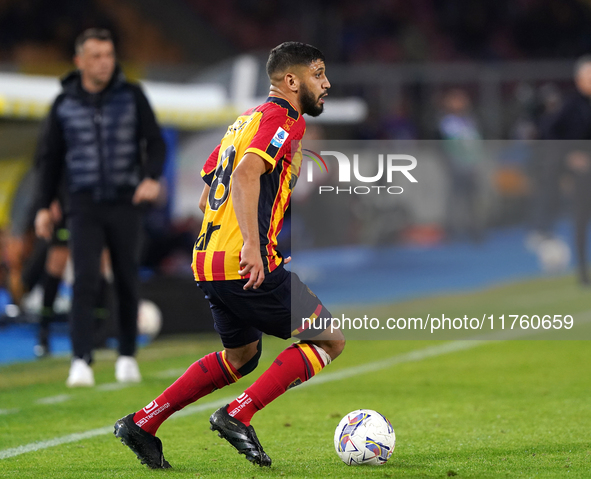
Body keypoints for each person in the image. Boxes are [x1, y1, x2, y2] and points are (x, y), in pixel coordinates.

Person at [113, 42, 345, 469]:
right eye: (318, 73)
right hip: (241, 262)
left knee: (241, 356)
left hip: (208, 260)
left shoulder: (243, 122)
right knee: (329, 338)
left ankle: (143, 423)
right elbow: (243, 175)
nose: (326, 83)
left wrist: (256, 242)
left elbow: (206, 200)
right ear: (291, 81)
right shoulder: (283, 119)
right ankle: (239, 413)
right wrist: (254, 249)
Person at [34, 28, 166, 386]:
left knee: (125, 277)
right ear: (79, 61)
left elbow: (155, 142)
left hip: (126, 201)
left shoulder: (133, 96)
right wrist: (44, 206)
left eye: (108, 55)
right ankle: (81, 359)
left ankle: (126, 354)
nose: (104, 62)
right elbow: (50, 160)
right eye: (95, 56)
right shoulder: (63, 104)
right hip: (82, 202)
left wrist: (152, 176)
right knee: (84, 280)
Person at [541, 55, 591, 284]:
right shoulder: (571, 106)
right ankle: (582, 270)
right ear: (579, 79)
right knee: (581, 219)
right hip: (583, 174)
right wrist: (569, 156)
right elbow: (549, 131)